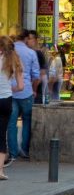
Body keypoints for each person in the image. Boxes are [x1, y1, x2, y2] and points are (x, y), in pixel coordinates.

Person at [7, 30, 39, 163]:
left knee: (11, 122)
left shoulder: (9, 52)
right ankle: (25, 150)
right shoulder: (31, 53)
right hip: (26, 91)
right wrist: (34, 89)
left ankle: (13, 152)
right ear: (26, 39)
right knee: (27, 121)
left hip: (10, 90)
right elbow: (36, 75)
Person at [0, 36, 25, 176]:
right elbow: (21, 86)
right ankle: (0, 170)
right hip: (6, 100)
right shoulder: (15, 61)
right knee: (1, 135)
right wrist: (10, 89)